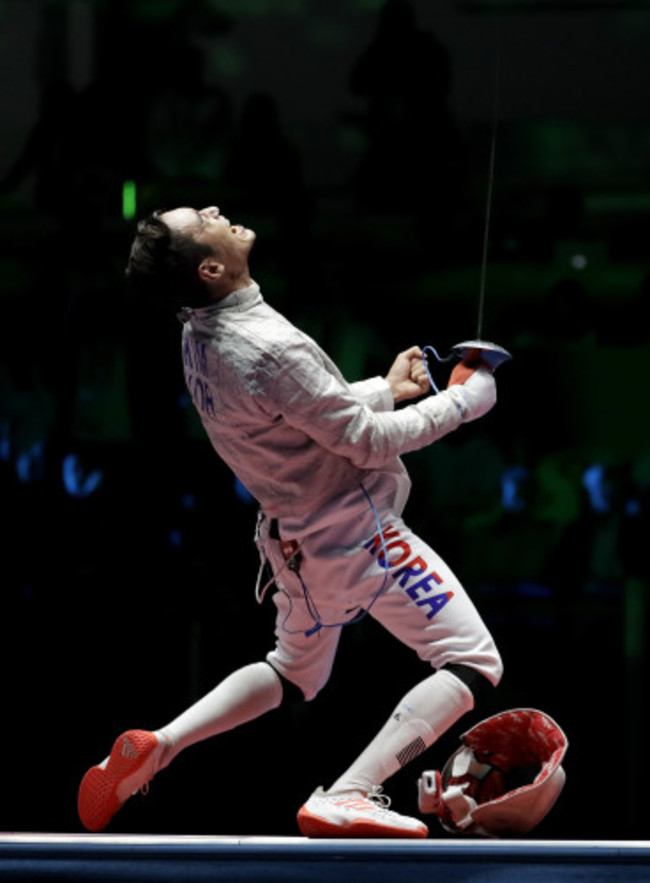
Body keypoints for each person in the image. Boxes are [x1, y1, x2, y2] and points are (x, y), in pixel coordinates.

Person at [78, 205, 503, 838]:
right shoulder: (266, 344)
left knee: (294, 670)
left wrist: (385, 388)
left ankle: (161, 745)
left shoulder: (200, 332)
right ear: (211, 265)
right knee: (471, 661)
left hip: (294, 541)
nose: (218, 210)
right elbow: (362, 443)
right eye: (204, 217)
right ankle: (352, 791)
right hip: (360, 537)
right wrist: (462, 404)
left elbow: (295, 415)